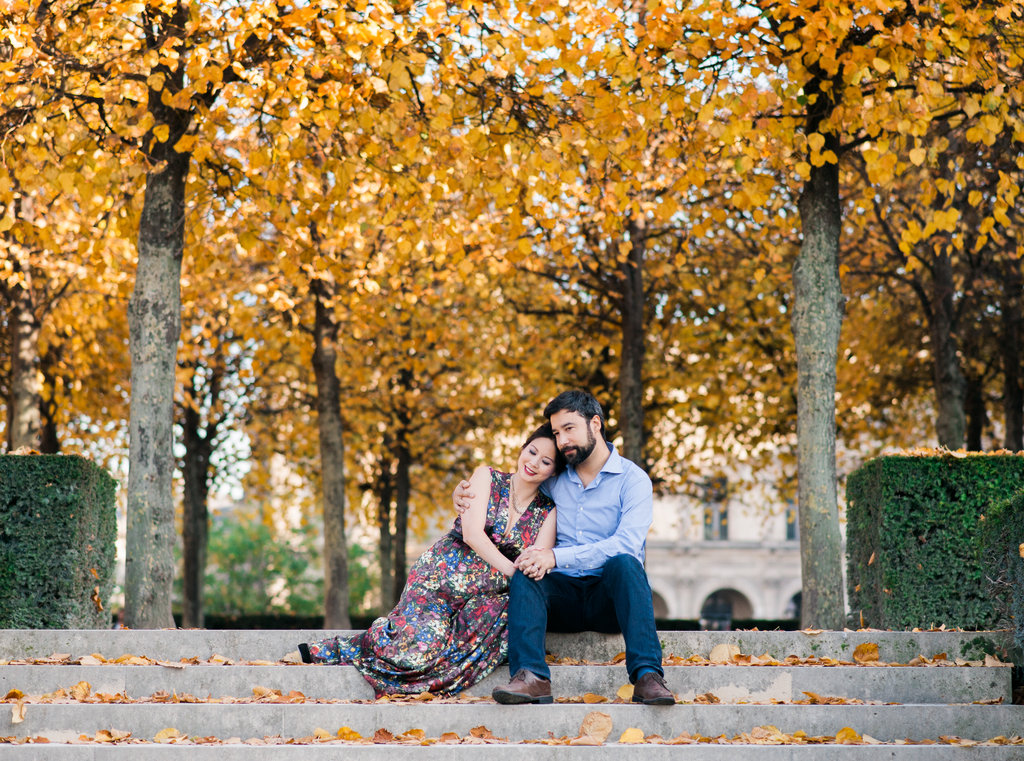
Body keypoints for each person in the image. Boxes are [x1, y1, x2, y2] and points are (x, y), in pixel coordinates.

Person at [297, 424, 562, 698]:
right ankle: (348, 646)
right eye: (531, 452)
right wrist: (513, 572)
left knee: (502, 617)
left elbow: (534, 562)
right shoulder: (487, 477)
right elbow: (472, 534)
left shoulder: (547, 512)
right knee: (421, 646)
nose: (533, 463)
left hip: (486, 597)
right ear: (522, 449)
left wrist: (520, 578)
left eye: (545, 461)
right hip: (438, 579)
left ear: (553, 471)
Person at [454, 390, 674, 705]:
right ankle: (531, 677)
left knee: (625, 562)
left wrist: (555, 556)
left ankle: (648, 676)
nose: (562, 441)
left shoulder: (633, 480)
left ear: (595, 424)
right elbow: (508, 487)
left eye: (569, 429)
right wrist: (462, 496)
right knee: (527, 568)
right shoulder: (554, 478)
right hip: (561, 598)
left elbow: (626, 542)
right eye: (557, 433)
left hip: (609, 598)